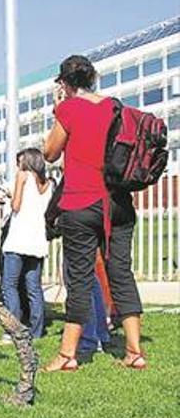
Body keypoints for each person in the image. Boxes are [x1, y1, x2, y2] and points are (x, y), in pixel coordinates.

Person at [43, 55, 146, 371]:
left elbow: (49, 153)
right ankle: (134, 352)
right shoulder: (114, 106)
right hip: (118, 203)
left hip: (81, 203)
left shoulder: (69, 108)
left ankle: (67, 355)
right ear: (92, 77)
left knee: (80, 277)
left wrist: (58, 109)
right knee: (121, 273)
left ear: (64, 83)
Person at [0, 149, 53, 340]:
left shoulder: (23, 176)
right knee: (34, 288)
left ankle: (13, 331)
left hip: (18, 240)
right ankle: (36, 331)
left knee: (9, 286)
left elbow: (16, 206)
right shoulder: (49, 184)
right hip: (37, 241)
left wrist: (15, 190)